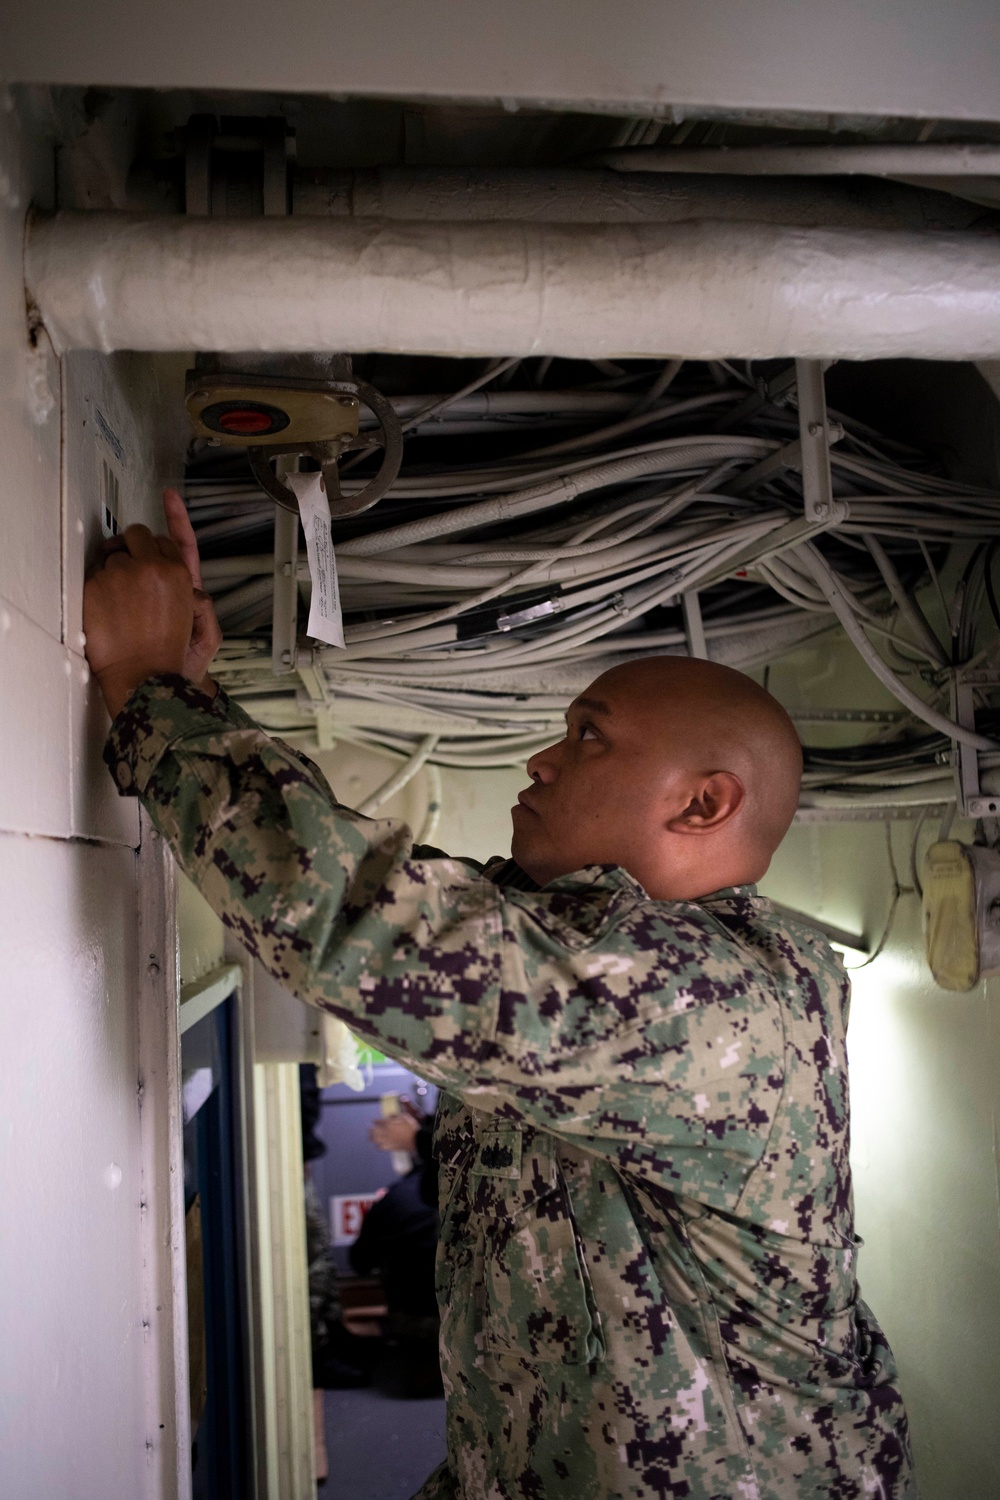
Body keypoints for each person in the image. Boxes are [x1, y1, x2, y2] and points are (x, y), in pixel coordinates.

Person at [82, 500, 914, 1500]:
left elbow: (362, 923)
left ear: (701, 802)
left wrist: (151, 690)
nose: (541, 760)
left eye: (589, 739)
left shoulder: (707, 994)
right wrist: (193, 699)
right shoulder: (618, 964)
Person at [354, 1105, 443, 1396]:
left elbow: (360, 1263)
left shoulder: (393, 1200)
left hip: (415, 1321)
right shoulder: (460, 1192)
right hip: (464, 1316)